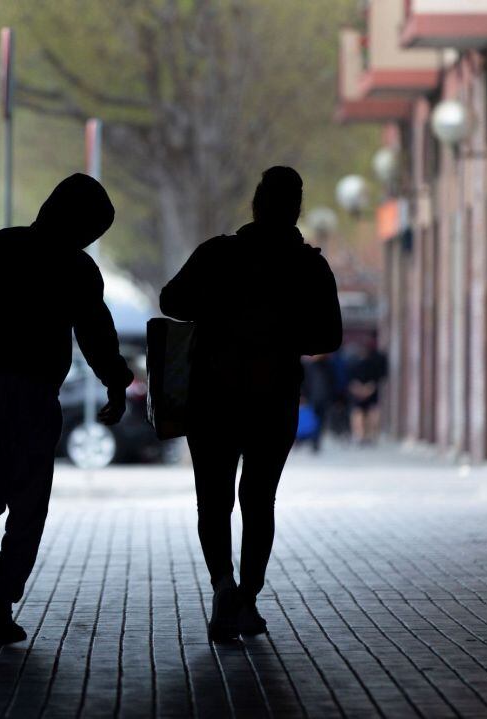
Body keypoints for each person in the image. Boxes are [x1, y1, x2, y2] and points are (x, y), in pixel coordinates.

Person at [0, 173, 134, 643]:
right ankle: (1, 608)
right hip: (35, 395)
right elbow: (96, 334)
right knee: (29, 504)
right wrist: (117, 382)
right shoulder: (79, 270)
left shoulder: (2, 246)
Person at [160, 166, 342, 642]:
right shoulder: (310, 267)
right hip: (274, 398)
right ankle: (247, 595)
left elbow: (170, 300)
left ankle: (223, 587)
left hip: (212, 397)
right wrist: (281, 334)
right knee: (259, 500)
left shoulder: (218, 254)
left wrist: (220, 313)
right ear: (296, 208)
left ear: (256, 203)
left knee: (213, 500)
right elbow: (331, 335)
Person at [347, 340, 387, 445]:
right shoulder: (373, 364)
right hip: (368, 391)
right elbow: (377, 379)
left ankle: (361, 435)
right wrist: (367, 389)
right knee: (367, 413)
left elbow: (350, 380)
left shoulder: (353, 363)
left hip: (360, 392)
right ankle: (369, 435)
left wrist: (359, 389)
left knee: (361, 414)